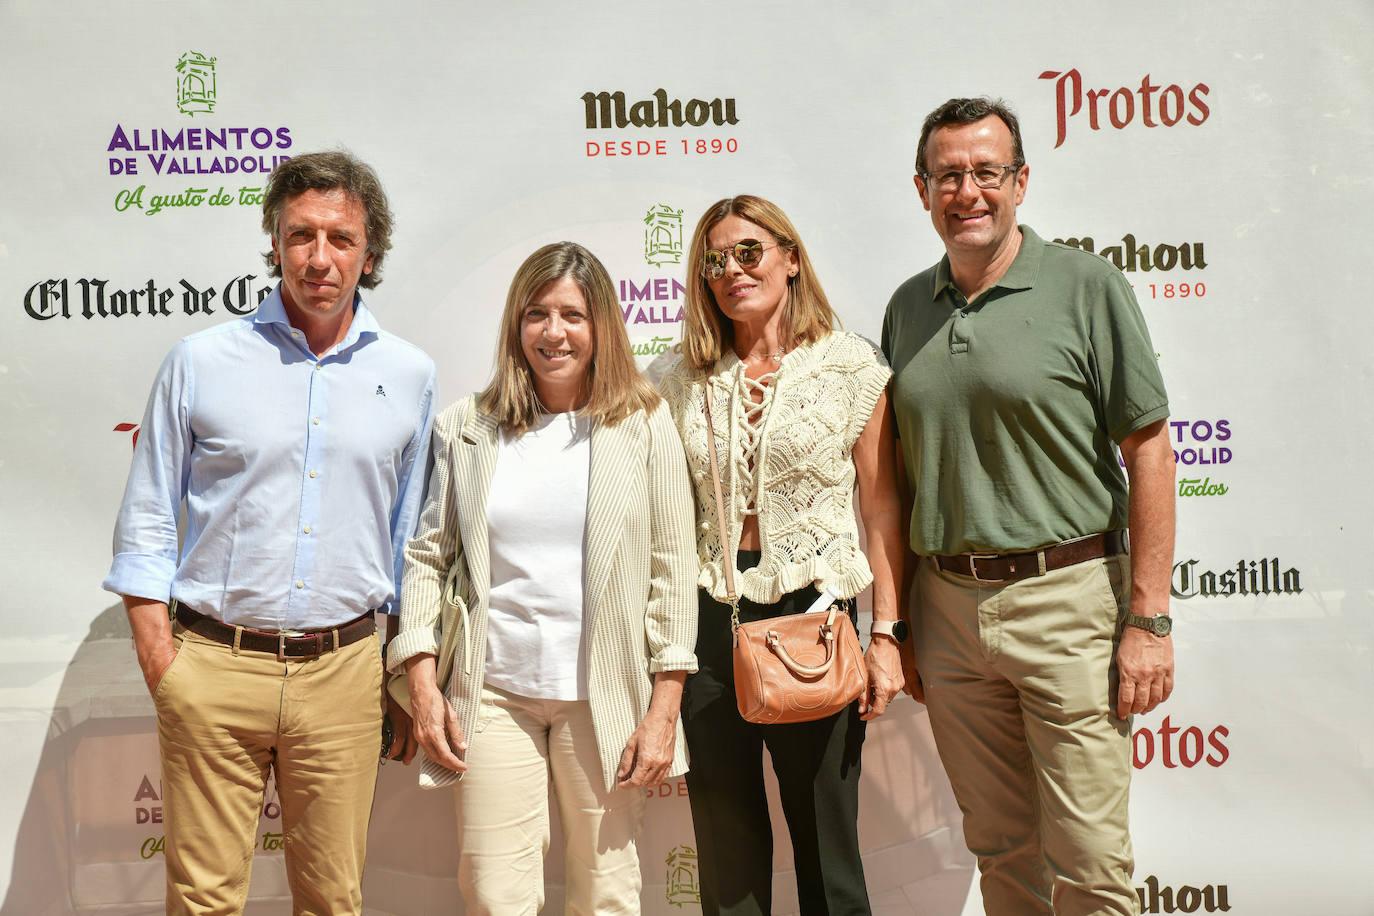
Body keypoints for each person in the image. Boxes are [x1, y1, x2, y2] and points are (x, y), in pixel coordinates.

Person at [102, 151, 436, 914]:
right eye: (301, 236)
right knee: (203, 902)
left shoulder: (410, 374)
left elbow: (411, 541)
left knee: (332, 900)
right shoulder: (200, 361)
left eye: (341, 239)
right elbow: (149, 515)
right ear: (275, 242)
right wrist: (166, 663)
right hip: (213, 667)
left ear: (369, 254)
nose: (320, 258)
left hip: (344, 675)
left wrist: (402, 670)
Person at [882, 97, 1176, 915]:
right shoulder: (907, 308)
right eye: (948, 175)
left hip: (1070, 601)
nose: (967, 191)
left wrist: (1148, 620)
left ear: (1020, 183)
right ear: (922, 189)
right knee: (1003, 854)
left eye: (986, 172)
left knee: (1089, 862)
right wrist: (900, 622)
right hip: (945, 608)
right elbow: (896, 479)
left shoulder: (1087, 286)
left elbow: (1149, 453)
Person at [389, 241, 698, 914]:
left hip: (605, 700)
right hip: (492, 696)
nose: (553, 332)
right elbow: (426, 558)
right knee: (496, 896)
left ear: (601, 327)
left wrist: (663, 708)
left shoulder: (644, 425)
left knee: (607, 895)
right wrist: (421, 683)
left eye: (572, 315)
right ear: (515, 325)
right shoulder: (467, 428)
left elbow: (674, 573)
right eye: (536, 314)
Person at [658, 195, 905, 916]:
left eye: (748, 252)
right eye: (713, 260)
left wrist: (886, 634)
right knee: (726, 851)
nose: (731, 270)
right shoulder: (675, 379)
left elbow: (882, 507)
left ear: (790, 259)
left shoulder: (850, 366)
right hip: (710, 617)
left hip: (815, 617)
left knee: (828, 846)